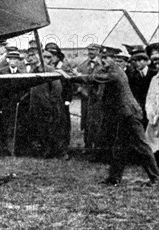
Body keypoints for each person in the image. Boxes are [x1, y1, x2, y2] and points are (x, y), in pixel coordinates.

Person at [67, 47, 159, 186]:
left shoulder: (115, 73)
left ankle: (156, 178)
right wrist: (74, 73)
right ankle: (114, 178)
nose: (103, 60)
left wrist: (70, 77)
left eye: (107, 58)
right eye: (102, 58)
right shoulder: (111, 70)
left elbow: (92, 78)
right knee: (119, 147)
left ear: (114, 59)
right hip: (124, 115)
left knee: (142, 146)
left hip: (130, 114)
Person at [27, 48, 67, 159]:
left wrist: (51, 102)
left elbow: (57, 88)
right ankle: (45, 150)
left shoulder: (49, 69)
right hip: (36, 105)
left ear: (39, 57)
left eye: (33, 55)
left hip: (48, 105)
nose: (30, 58)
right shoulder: (32, 70)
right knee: (40, 128)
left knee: (53, 128)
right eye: (29, 55)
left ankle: (60, 152)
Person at [0, 51, 26, 155]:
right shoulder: (2, 72)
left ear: (18, 61)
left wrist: (20, 99)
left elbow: (24, 89)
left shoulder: (21, 74)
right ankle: (3, 149)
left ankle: (14, 148)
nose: (13, 61)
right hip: (5, 103)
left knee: (15, 126)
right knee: (4, 125)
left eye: (16, 59)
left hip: (16, 103)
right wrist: (0, 102)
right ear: (8, 60)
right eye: (11, 59)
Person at [75, 43, 104, 151]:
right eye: (89, 50)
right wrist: (80, 89)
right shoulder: (82, 65)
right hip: (86, 99)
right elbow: (77, 80)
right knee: (86, 121)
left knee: (98, 121)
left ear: (99, 51)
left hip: (99, 99)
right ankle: (87, 145)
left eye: (93, 50)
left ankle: (97, 146)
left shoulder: (103, 65)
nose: (91, 52)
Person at [127, 47, 158, 128]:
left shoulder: (154, 74)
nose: (137, 63)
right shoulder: (133, 76)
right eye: (135, 61)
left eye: (140, 60)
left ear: (146, 61)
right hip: (140, 109)